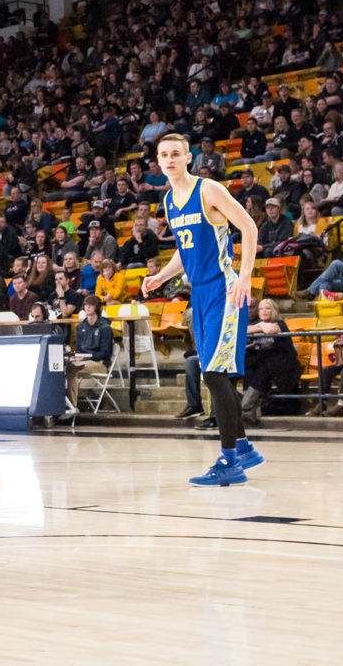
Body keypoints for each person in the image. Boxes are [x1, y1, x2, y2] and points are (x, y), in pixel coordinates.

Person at [141, 133, 264, 486]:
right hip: (200, 293)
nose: (169, 159)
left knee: (213, 374)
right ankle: (242, 449)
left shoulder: (208, 189)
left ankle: (229, 462)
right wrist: (161, 277)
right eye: (163, 154)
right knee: (215, 373)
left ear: (188, 157)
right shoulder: (169, 201)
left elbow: (249, 226)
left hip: (225, 289)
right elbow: (185, 248)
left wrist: (245, 276)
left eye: (175, 154)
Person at [240, 299, 295, 426]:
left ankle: (244, 405)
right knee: (250, 368)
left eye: (267, 308)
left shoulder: (281, 324)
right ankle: (249, 413)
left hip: (284, 364)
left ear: (273, 310)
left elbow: (270, 330)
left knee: (265, 365)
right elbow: (242, 330)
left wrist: (257, 327)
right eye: (261, 309)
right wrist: (258, 326)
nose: (264, 311)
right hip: (267, 365)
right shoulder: (258, 326)